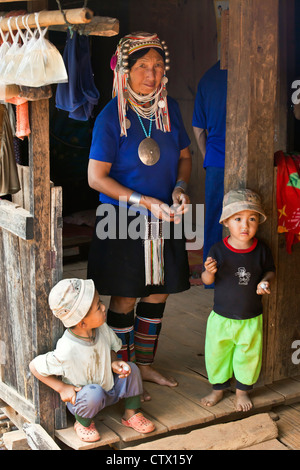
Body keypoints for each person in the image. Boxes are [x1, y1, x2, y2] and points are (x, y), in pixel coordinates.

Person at [87, 32, 192, 400]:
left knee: (159, 293)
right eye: (143, 66)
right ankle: (125, 373)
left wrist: (180, 186)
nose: (152, 74)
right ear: (124, 71)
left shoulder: (170, 109)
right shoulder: (110, 117)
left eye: (158, 65)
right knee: (125, 297)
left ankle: (145, 366)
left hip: (165, 214)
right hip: (122, 218)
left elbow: (183, 156)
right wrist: (142, 200)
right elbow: (95, 177)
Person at [29, 278, 155, 443]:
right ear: (82, 322)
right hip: (86, 398)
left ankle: (130, 415)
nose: (103, 307)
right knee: (93, 392)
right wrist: (62, 388)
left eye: (100, 302)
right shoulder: (67, 348)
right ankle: (83, 423)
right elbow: (34, 366)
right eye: (98, 307)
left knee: (131, 369)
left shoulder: (101, 328)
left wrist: (114, 362)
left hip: (109, 389)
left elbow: (110, 347)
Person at [201, 189, 276, 412]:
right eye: (238, 219)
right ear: (226, 222)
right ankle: (218, 389)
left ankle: (242, 392)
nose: (245, 225)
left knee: (248, 355)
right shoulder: (218, 250)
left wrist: (265, 282)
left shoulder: (261, 250)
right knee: (217, 354)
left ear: (258, 223)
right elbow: (207, 280)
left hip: (250, 319)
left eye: (252, 219)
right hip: (221, 318)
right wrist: (209, 272)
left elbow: (271, 271)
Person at [192, 61, 227, 282]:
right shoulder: (254, 67)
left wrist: (207, 155)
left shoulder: (208, 76)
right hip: (252, 155)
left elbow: (198, 126)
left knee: (215, 217)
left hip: (216, 159)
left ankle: (210, 277)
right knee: (248, 217)